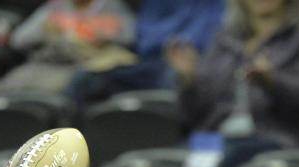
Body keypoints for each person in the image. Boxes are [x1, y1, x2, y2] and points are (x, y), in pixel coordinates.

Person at [164, 0, 299, 167]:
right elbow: (192, 116)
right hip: (216, 137)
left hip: (273, 138)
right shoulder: (225, 39)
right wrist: (189, 80)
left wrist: (272, 81)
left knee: (218, 163)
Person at [0, 0, 136, 102]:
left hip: (80, 69)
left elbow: (130, 37)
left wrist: (91, 30)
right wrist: (50, 26)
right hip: (39, 65)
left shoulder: (110, 6)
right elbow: (18, 40)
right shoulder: (56, 7)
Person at [66, 0, 224, 108]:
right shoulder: (153, 4)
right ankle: (74, 150)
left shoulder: (210, 4)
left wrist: (182, 51)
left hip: (187, 63)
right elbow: (142, 39)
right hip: (147, 62)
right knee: (85, 79)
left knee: (174, 78)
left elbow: (205, 38)